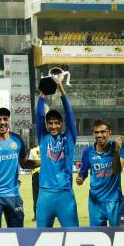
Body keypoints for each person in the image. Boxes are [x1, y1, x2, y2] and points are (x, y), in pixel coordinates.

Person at [0, 108, 39, 228]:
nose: (2, 122)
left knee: (17, 233)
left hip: (13, 195)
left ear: (9, 121)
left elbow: (24, 164)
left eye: (5, 119)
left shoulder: (17, 140)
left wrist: (44, 162)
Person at [35, 77, 79, 227]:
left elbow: (70, 114)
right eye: (50, 123)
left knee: (73, 235)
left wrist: (61, 88)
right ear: (46, 125)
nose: (53, 126)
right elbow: (39, 115)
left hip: (65, 193)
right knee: (41, 237)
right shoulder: (43, 138)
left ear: (62, 124)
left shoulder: (69, 139)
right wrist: (43, 93)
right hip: (45, 194)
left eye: (56, 123)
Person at [76, 120, 122, 227]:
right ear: (93, 134)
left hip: (114, 200)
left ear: (109, 133)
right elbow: (83, 172)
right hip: (95, 202)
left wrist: (116, 151)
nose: (99, 135)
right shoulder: (88, 152)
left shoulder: (116, 148)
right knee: (98, 236)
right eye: (96, 132)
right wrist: (81, 179)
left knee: (118, 235)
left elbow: (117, 171)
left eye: (102, 132)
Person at [29, 146, 40, 221]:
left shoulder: (33, 151)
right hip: (48, 174)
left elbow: (30, 163)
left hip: (36, 174)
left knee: (36, 196)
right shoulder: (50, 148)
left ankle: (36, 215)